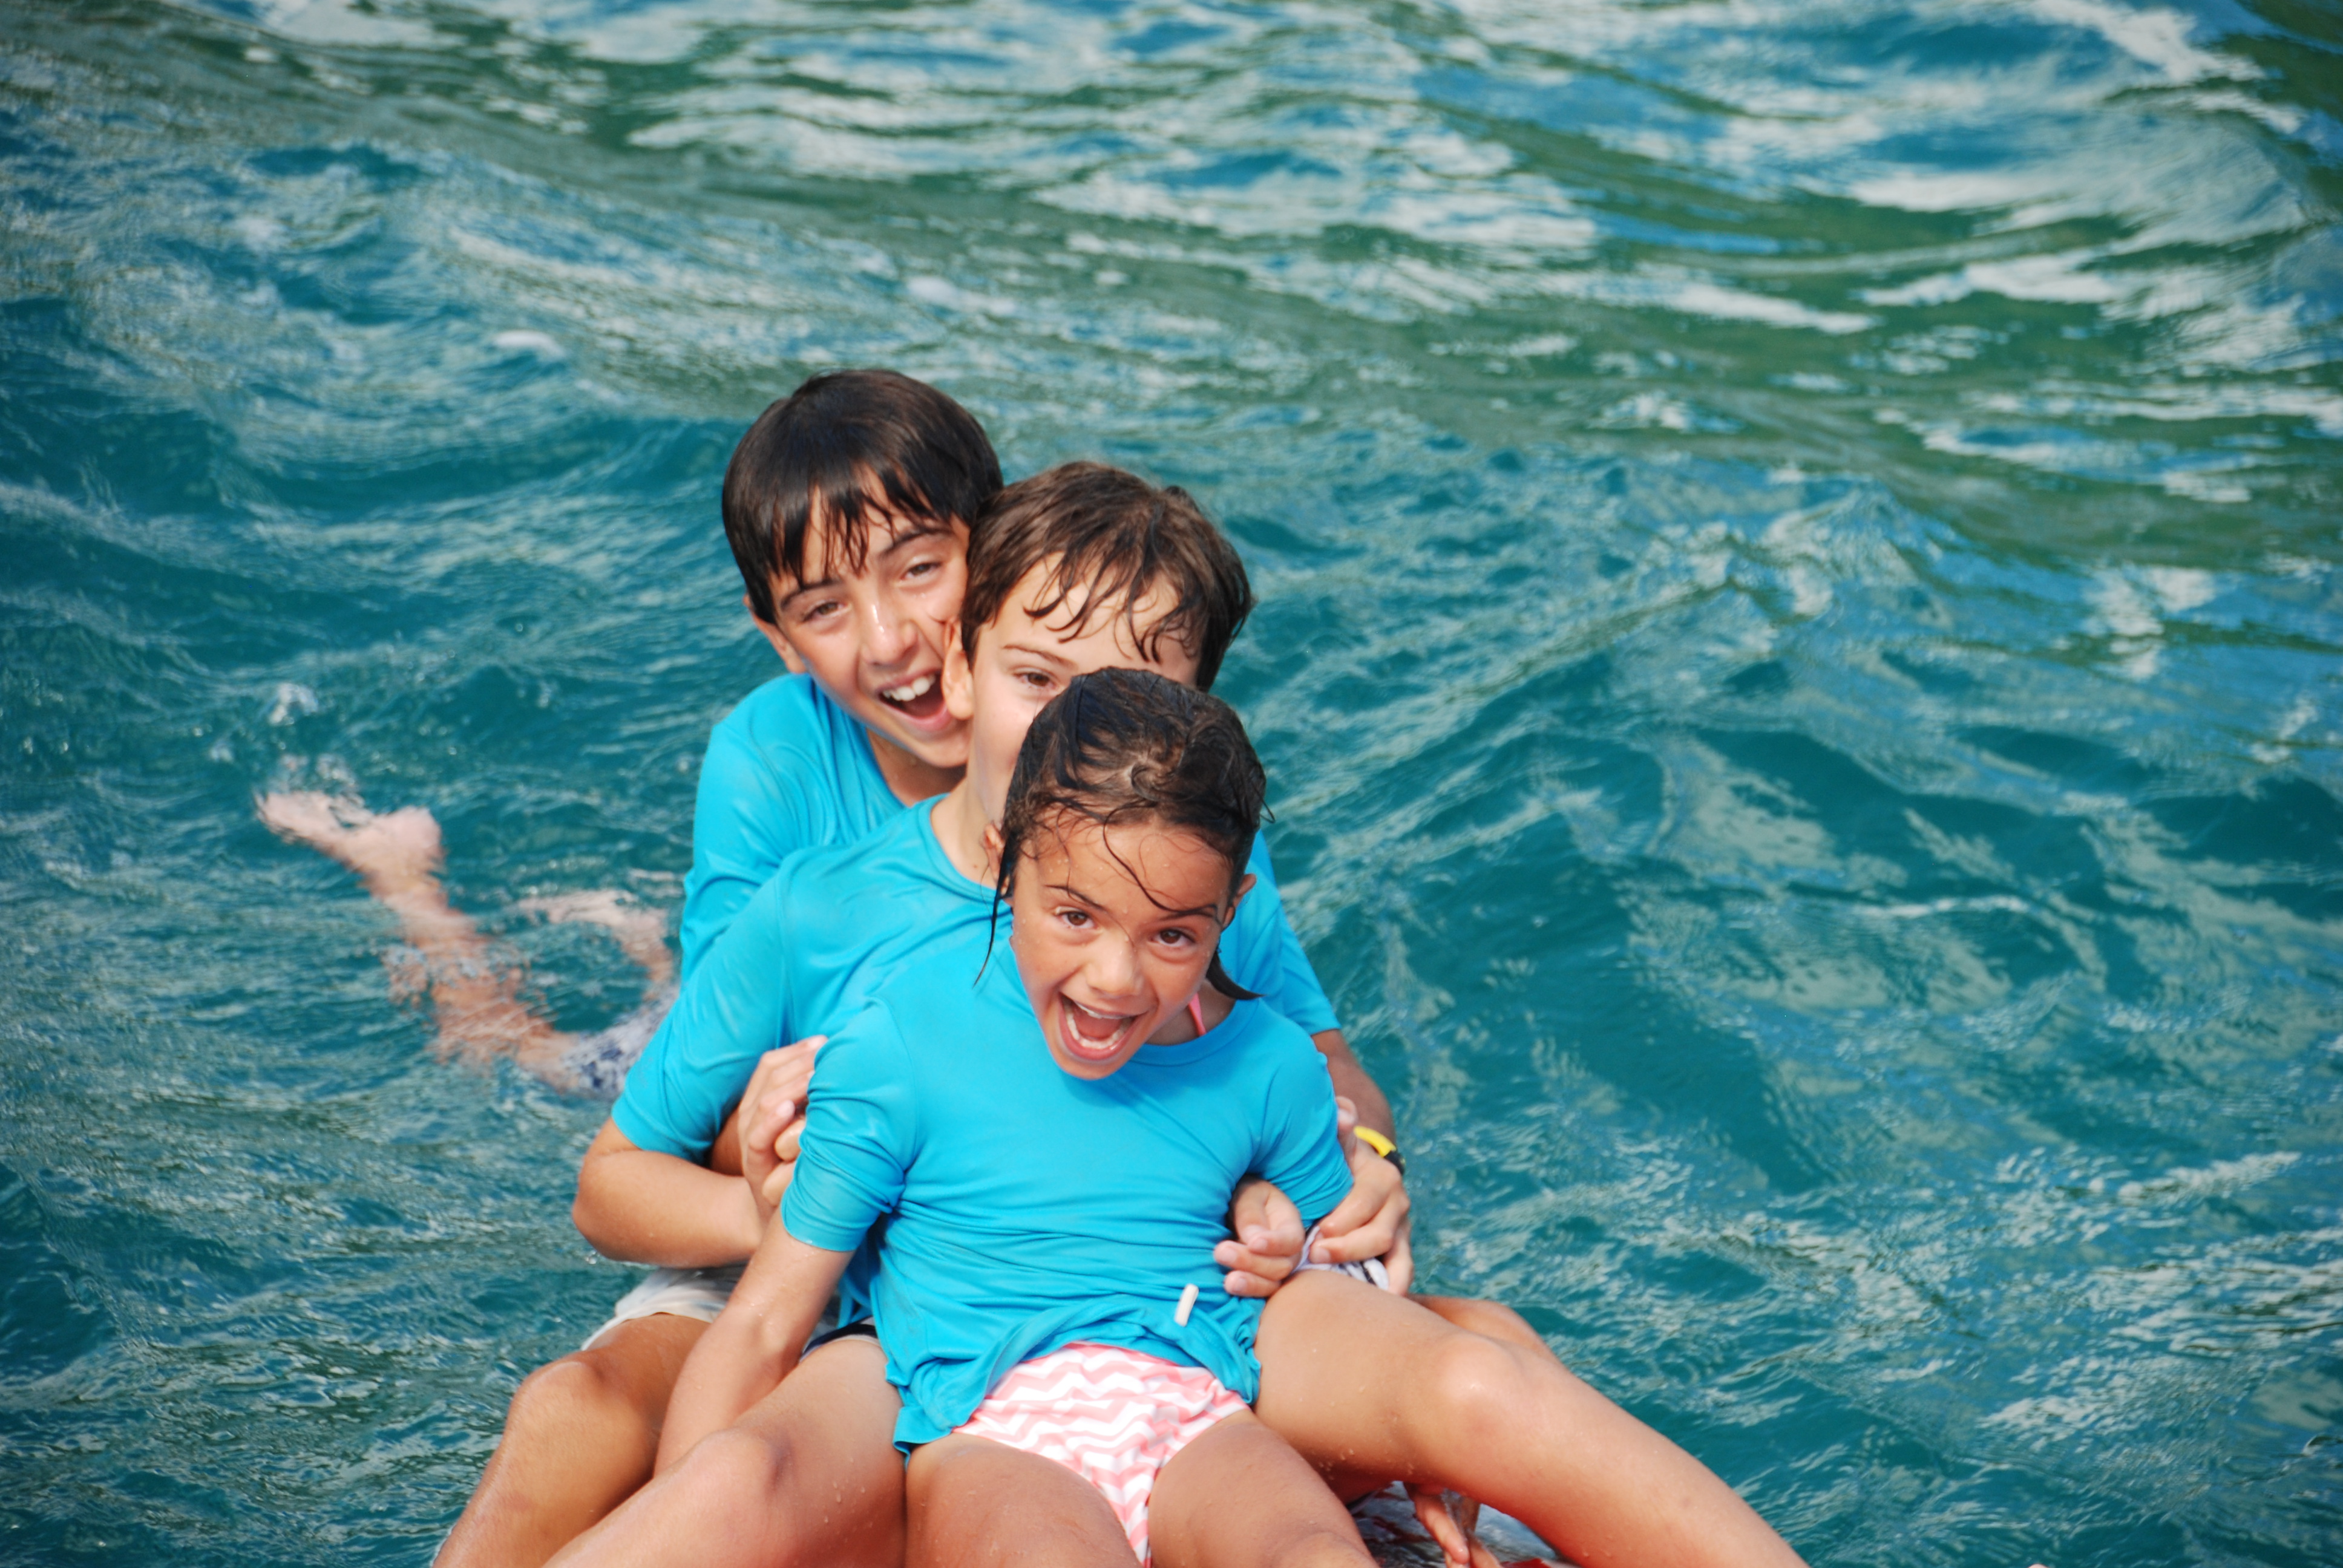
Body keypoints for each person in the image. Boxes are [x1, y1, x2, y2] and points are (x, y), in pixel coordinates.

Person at [557, 670, 1807, 1568]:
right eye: (1075, 918)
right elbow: (767, 1317)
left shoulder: (1263, 1064)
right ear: (1009, 866)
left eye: (1172, 935)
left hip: (1201, 1403)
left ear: (1230, 913)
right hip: (990, 1424)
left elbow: (1351, 1285)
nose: (1114, 980)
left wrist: (1328, 1281)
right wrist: (698, 1504)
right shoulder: (902, 1042)